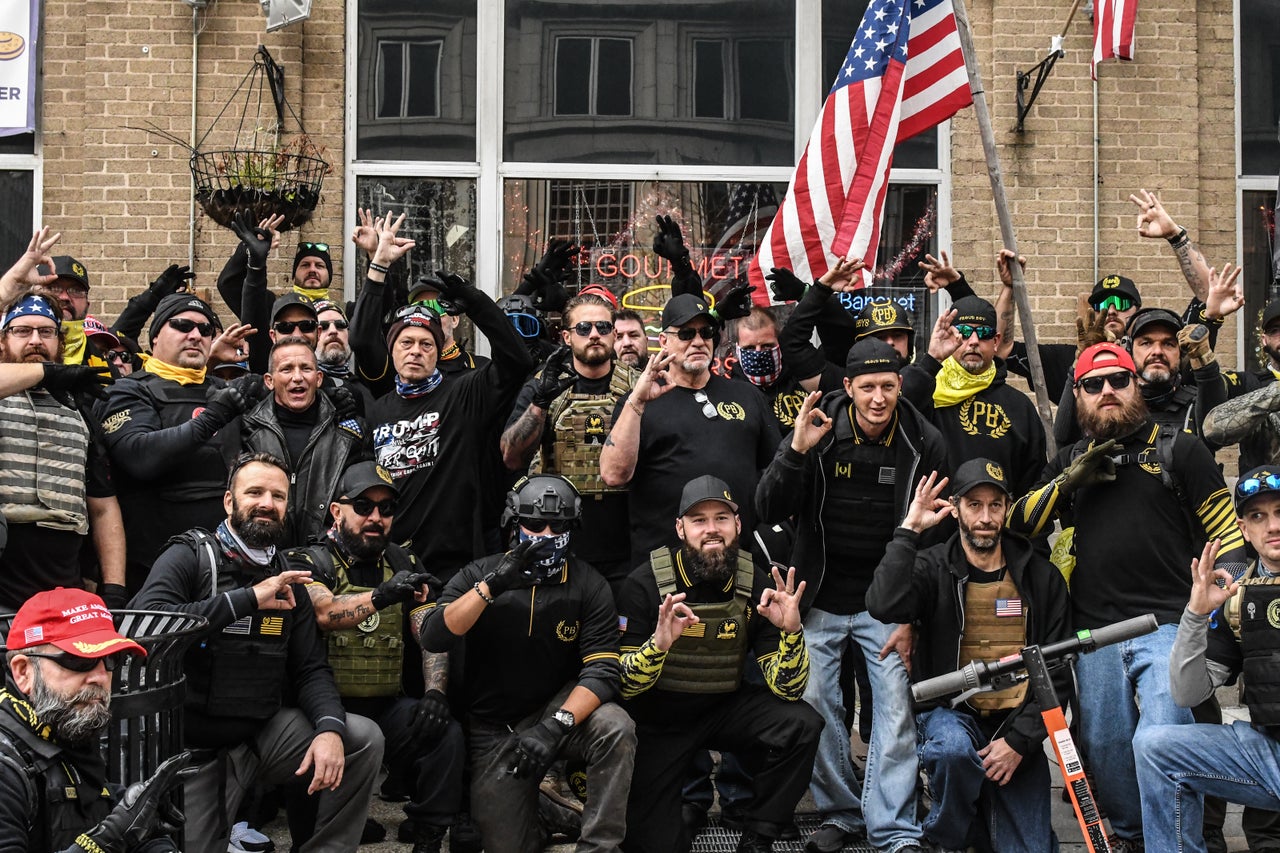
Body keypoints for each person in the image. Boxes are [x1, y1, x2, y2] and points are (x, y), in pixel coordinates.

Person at [1007, 342, 1247, 852]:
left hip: (1167, 627)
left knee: (1163, 740)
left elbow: (1228, 537)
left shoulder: (1179, 449)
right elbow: (1017, 525)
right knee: (1105, 746)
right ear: (1079, 397)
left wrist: (1218, 603)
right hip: (1093, 634)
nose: (1107, 391)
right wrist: (1067, 483)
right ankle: (1136, 839)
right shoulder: (1071, 459)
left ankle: (1175, 845)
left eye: (1118, 380)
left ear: (1137, 385)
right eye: (1093, 385)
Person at [130, 452, 383, 853]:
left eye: (278, 496)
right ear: (229, 502)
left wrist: (330, 728)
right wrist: (247, 599)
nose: (267, 503)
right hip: (188, 749)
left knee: (360, 738)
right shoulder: (190, 556)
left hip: (259, 737)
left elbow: (311, 669)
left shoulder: (289, 576)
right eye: (255, 492)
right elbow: (145, 628)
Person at [756, 336, 946, 853]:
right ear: (848, 387)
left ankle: (892, 828)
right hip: (817, 596)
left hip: (886, 602)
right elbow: (767, 506)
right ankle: (841, 813)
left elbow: (934, 542)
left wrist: (911, 616)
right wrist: (795, 450)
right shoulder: (815, 429)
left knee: (894, 709)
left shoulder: (923, 441)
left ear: (900, 386)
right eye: (867, 387)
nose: (878, 398)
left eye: (888, 386)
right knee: (814, 703)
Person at [419, 474, 636, 853]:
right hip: (495, 727)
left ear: (574, 528)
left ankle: (598, 845)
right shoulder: (477, 573)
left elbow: (603, 672)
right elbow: (435, 636)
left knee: (616, 726)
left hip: (561, 711)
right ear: (512, 523)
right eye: (534, 525)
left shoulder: (589, 584)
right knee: (507, 845)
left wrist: (555, 726)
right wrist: (493, 586)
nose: (546, 534)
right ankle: (546, 812)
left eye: (559, 526)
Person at [866, 459, 1071, 853]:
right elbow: (882, 604)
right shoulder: (932, 568)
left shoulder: (1041, 578)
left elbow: (1059, 673)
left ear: (1007, 508)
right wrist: (909, 531)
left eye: (995, 505)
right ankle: (944, 838)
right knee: (953, 753)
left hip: (1012, 725)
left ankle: (977, 815)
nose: (985, 517)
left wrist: (1019, 742)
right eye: (974, 505)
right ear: (956, 507)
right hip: (951, 717)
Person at [617, 475, 821, 853]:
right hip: (663, 720)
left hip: (726, 706)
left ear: (738, 525)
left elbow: (788, 689)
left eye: (722, 518)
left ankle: (759, 836)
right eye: (699, 520)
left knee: (803, 724)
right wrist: (657, 645)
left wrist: (792, 632)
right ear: (680, 528)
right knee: (648, 844)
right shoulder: (644, 584)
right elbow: (626, 686)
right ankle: (677, 816)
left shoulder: (756, 582)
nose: (712, 529)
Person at [292, 461, 462, 853]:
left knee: (444, 732)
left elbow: (427, 633)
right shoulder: (310, 561)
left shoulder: (402, 562)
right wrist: (382, 596)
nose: (376, 517)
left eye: (386, 509)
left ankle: (427, 836)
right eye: (364, 506)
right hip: (322, 709)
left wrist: (436, 692)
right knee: (308, 829)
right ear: (337, 511)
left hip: (385, 705)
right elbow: (323, 611)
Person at [1133, 468, 1280, 853]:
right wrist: (1196, 615)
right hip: (1270, 756)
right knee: (1154, 745)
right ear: (1244, 530)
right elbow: (1186, 693)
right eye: (1258, 516)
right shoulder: (1236, 597)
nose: (1273, 526)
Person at [98, 294, 269, 592]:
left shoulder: (227, 390)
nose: (195, 335)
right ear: (154, 339)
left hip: (227, 571)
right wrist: (214, 416)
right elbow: (140, 457)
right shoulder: (128, 390)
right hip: (151, 570)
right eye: (182, 325)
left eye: (205, 331)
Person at [0, 587, 187, 853]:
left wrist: (149, 840)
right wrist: (106, 840)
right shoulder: (7, 767)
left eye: (111, 659)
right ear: (23, 672)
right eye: (79, 659)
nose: (100, 676)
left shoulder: (59, 730)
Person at [601, 293, 781, 567]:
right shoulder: (637, 401)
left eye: (705, 332)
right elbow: (614, 475)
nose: (698, 341)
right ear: (663, 342)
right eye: (686, 334)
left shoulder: (747, 395)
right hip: (664, 567)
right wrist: (637, 402)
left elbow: (775, 472)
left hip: (737, 561)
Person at [502, 293, 639, 591]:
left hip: (626, 544)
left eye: (603, 328)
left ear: (614, 333)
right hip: (556, 538)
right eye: (583, 328)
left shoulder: (639, 387)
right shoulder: (544, 385)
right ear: (566, 337)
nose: (594, 335)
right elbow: (512, 457)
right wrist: (540, 403)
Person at [0, 293, 127, 609]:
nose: (35, 341)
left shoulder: (78, 408)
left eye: (46, 332)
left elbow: (102, 505)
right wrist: (48, 373)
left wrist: (114, 587)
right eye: (22, 331)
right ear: (2, 340)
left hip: (61, 578)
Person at [902, 293, 1046, 499]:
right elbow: (894, 408)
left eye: (984, 333)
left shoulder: (1020, 407)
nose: (974, 341)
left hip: (994, 526)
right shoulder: (927, 391)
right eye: (964, 332)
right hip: (934, 525)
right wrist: (932, 359)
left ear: (996, 341)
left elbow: (1033, 482)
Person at [240, 337, 370, 547]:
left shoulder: (351, 432)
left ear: (318, 378)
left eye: (306, 368)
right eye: (287, 369)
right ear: (269, 380)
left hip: (328, 558)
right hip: (262, 557)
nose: (297, 377)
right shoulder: (246, 429)